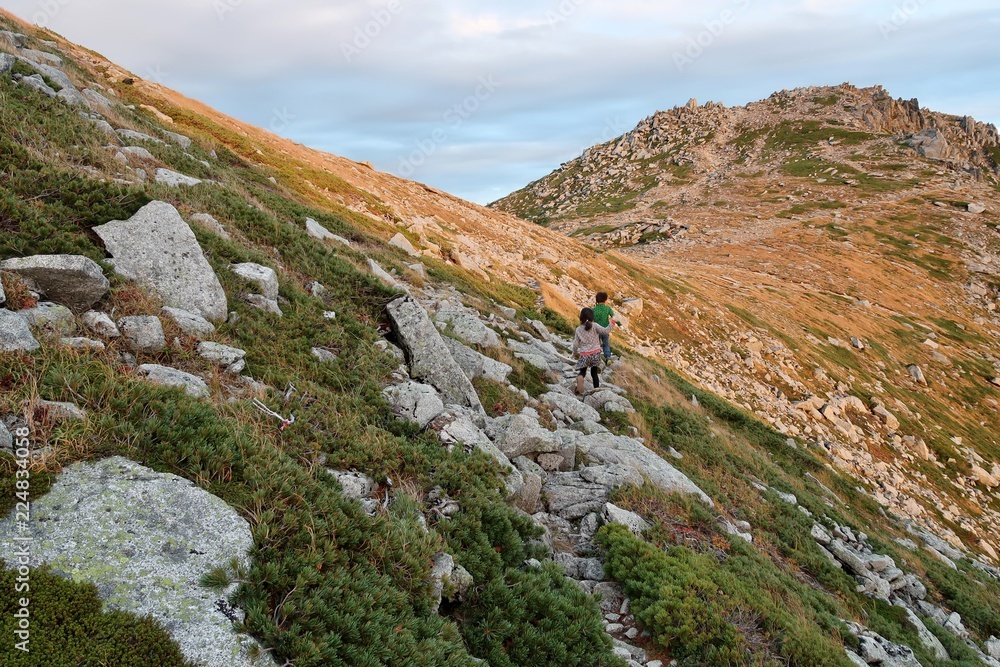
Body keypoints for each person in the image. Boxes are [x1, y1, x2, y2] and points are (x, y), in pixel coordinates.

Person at [573, 307, 614, 395]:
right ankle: (596, 391)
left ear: (581, 317)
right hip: (595, 353)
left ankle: (580, 378)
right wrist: (612, 322)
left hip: (584, 354)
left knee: (582, 371)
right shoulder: (595, 326)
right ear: (592, 316)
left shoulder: (578, 329)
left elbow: (575, 344)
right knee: (594, 373)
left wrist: (574, 353)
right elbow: (605, 331)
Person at [592, 292, 616, 365]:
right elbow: (614, 317)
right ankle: (608, 358)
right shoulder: (607, 308)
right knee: (606, 344)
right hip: (605, 330)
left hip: (597, 330)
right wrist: (619, 324)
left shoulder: (593, 309)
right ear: (605, 300)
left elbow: (590, 319)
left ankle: (596, 358)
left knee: (597, 344)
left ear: (596, 300)